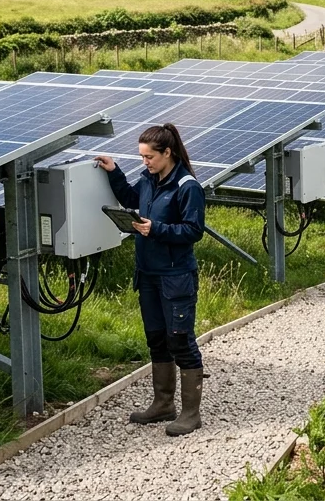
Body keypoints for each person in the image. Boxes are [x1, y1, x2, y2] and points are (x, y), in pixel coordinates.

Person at [95, 123, 206, 437]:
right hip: (147, 274)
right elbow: (133, 197)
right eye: (142, 157)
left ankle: (191, 414)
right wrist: (114, 172)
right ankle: (163, 404)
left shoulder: (187, 186)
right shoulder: (148, 179)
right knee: (156, 339)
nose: (145, 162)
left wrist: (155, 229)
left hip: (175, 277)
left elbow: (193, 231)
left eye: (149, 157)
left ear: (167, 152)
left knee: (180, 341)